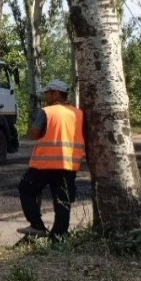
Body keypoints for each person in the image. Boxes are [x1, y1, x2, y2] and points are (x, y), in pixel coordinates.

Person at [17, 79, 86, 240]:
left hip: (45, 164)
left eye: (48, 93)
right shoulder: (78, 114)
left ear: (56, 93)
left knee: (26, 188)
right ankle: (59, 235)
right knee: (63, 200)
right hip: (69, 164)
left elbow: (34, 134)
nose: (46, 96)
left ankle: (37, 225)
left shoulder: (47, 112)